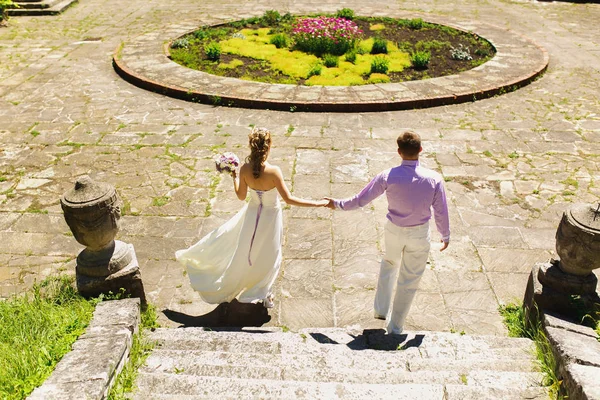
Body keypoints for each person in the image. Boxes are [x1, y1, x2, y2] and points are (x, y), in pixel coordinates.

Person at [176, 127, 328, 309]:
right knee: (270, 255)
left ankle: (254, 287)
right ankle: (264, 291)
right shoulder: (274, 172)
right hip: (270, 217)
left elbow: (241, 197)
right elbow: (289, 199)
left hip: (251, 215)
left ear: (251, 146)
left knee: (246, 251)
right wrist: (318, 203)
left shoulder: (245, 170)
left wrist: (234, 177)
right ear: (269, 146)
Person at [325, 131, 450, 335]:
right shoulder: (434, 179)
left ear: (399, 152)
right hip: (419, 233)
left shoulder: (387, 176)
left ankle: (381, 309)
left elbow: (360, 199)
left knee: (389, 263)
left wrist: (337, 204)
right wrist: (445, 235)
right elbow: (441, 211)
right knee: (409, 279)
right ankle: (395, 327)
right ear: (420, 149)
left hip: (393, 230)